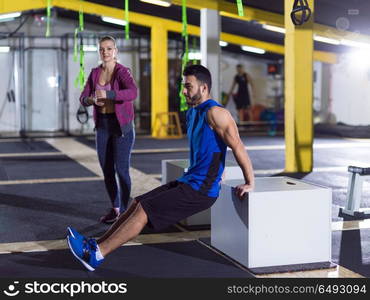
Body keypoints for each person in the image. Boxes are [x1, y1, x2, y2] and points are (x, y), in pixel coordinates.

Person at [67, 64, 254, 271]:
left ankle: (96, 255)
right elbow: (210, 148)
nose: (183, 90)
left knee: (144, 212)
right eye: (184, 86)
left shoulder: (217, 113)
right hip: (190, 181)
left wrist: (249, 182)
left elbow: (238, 146)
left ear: (203, 88)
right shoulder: (193, 113)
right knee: (137, 203)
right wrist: (217, 168)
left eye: (188, 86)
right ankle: (95, 244)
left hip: (201, 190)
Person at [79, 35, 137, 224]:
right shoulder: (95, 73)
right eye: (102, 49)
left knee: (121, 170)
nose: (105, 52)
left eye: (109, 48)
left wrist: (109, 94)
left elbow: (132, 92)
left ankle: (127, 211)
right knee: (107, 170)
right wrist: (90, 100)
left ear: (115, 51)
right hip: (102, 125)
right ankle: (115, 208)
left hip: (121, 127)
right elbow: (83, 97)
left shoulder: (122, 71)